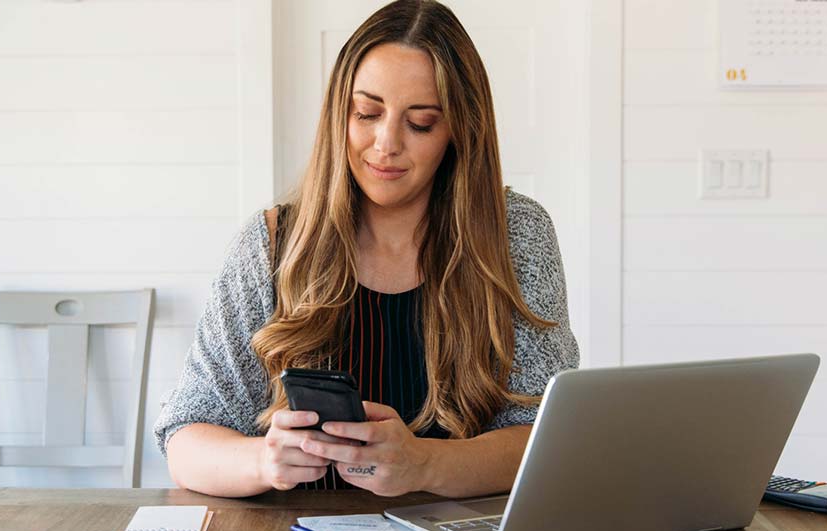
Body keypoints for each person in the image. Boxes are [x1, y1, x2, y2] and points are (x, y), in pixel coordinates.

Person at [153, 0, 578, 498]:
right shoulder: (272, 245)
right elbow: (185, 438)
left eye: (420, 122)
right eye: (367, 113)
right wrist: (261, 460)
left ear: (459, 131)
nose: (386, 143)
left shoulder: (516, 235)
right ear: (339, 113)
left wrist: (424, 464)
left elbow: (547, 440)